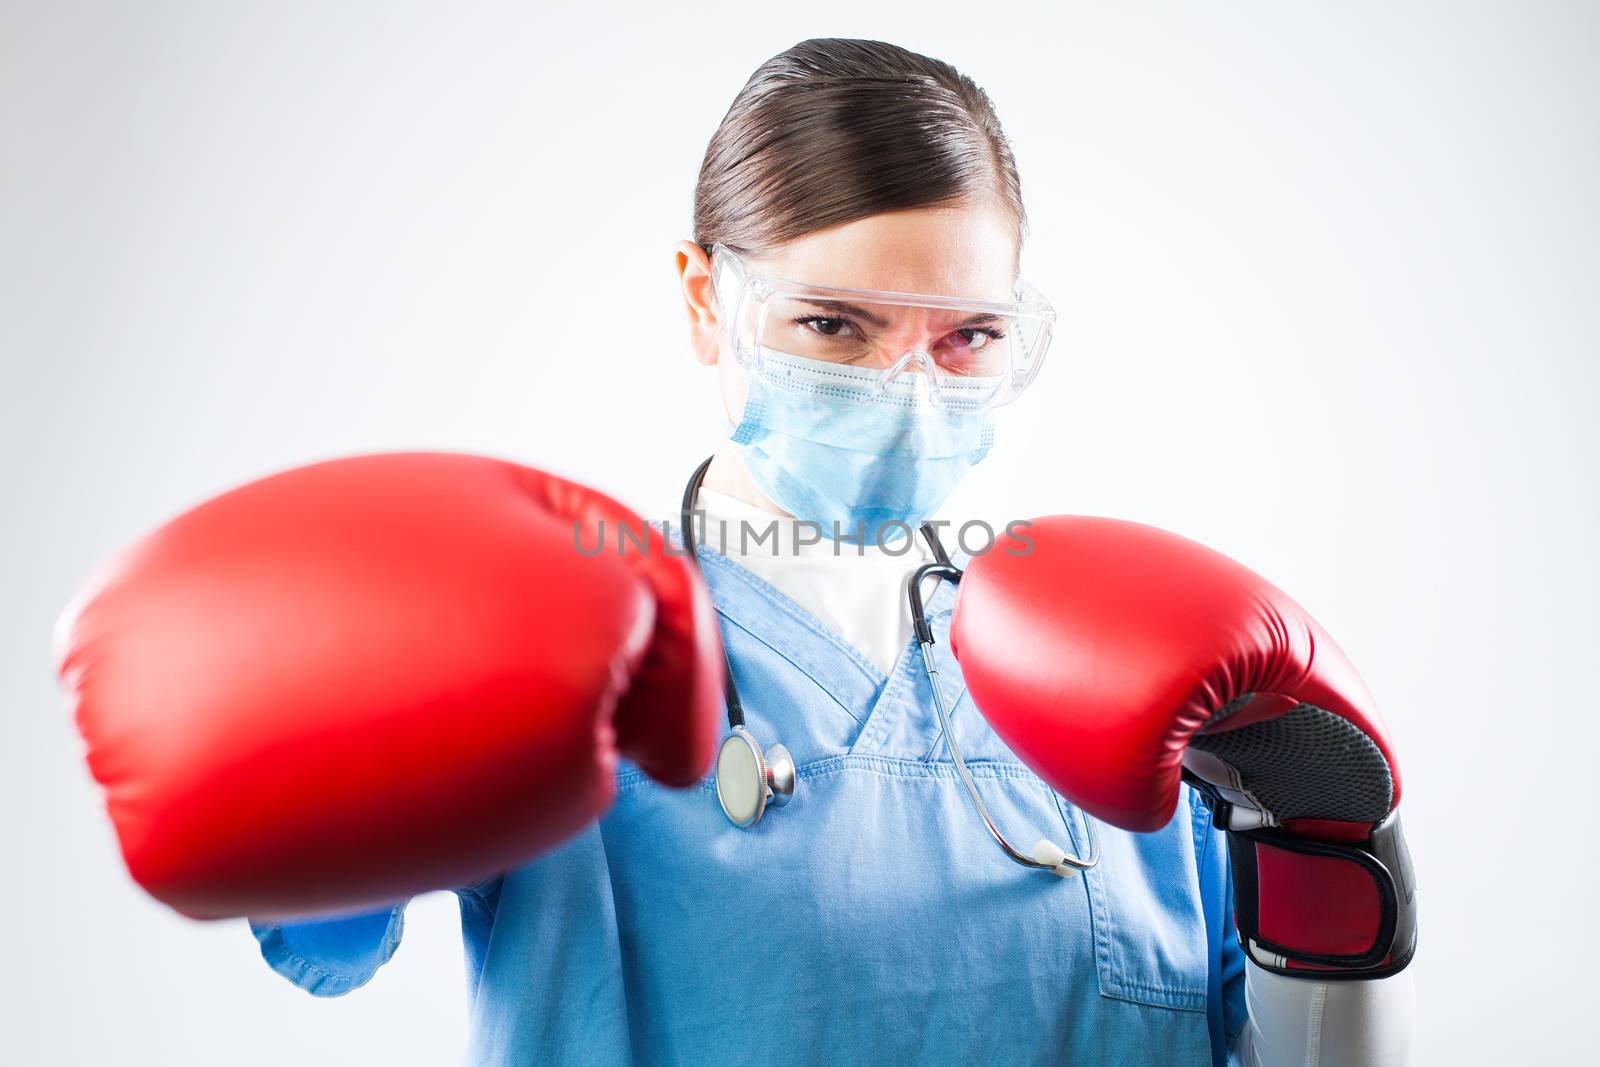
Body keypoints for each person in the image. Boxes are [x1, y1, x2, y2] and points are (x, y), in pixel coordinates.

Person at [61, 39, 1416, 1065]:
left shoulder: (1141, 661)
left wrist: (1319, 838)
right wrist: (322, 721)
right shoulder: (559, 652)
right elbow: (329, 941)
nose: (912, 387)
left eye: (969, 337)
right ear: (706, 302)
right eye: (834, 325)